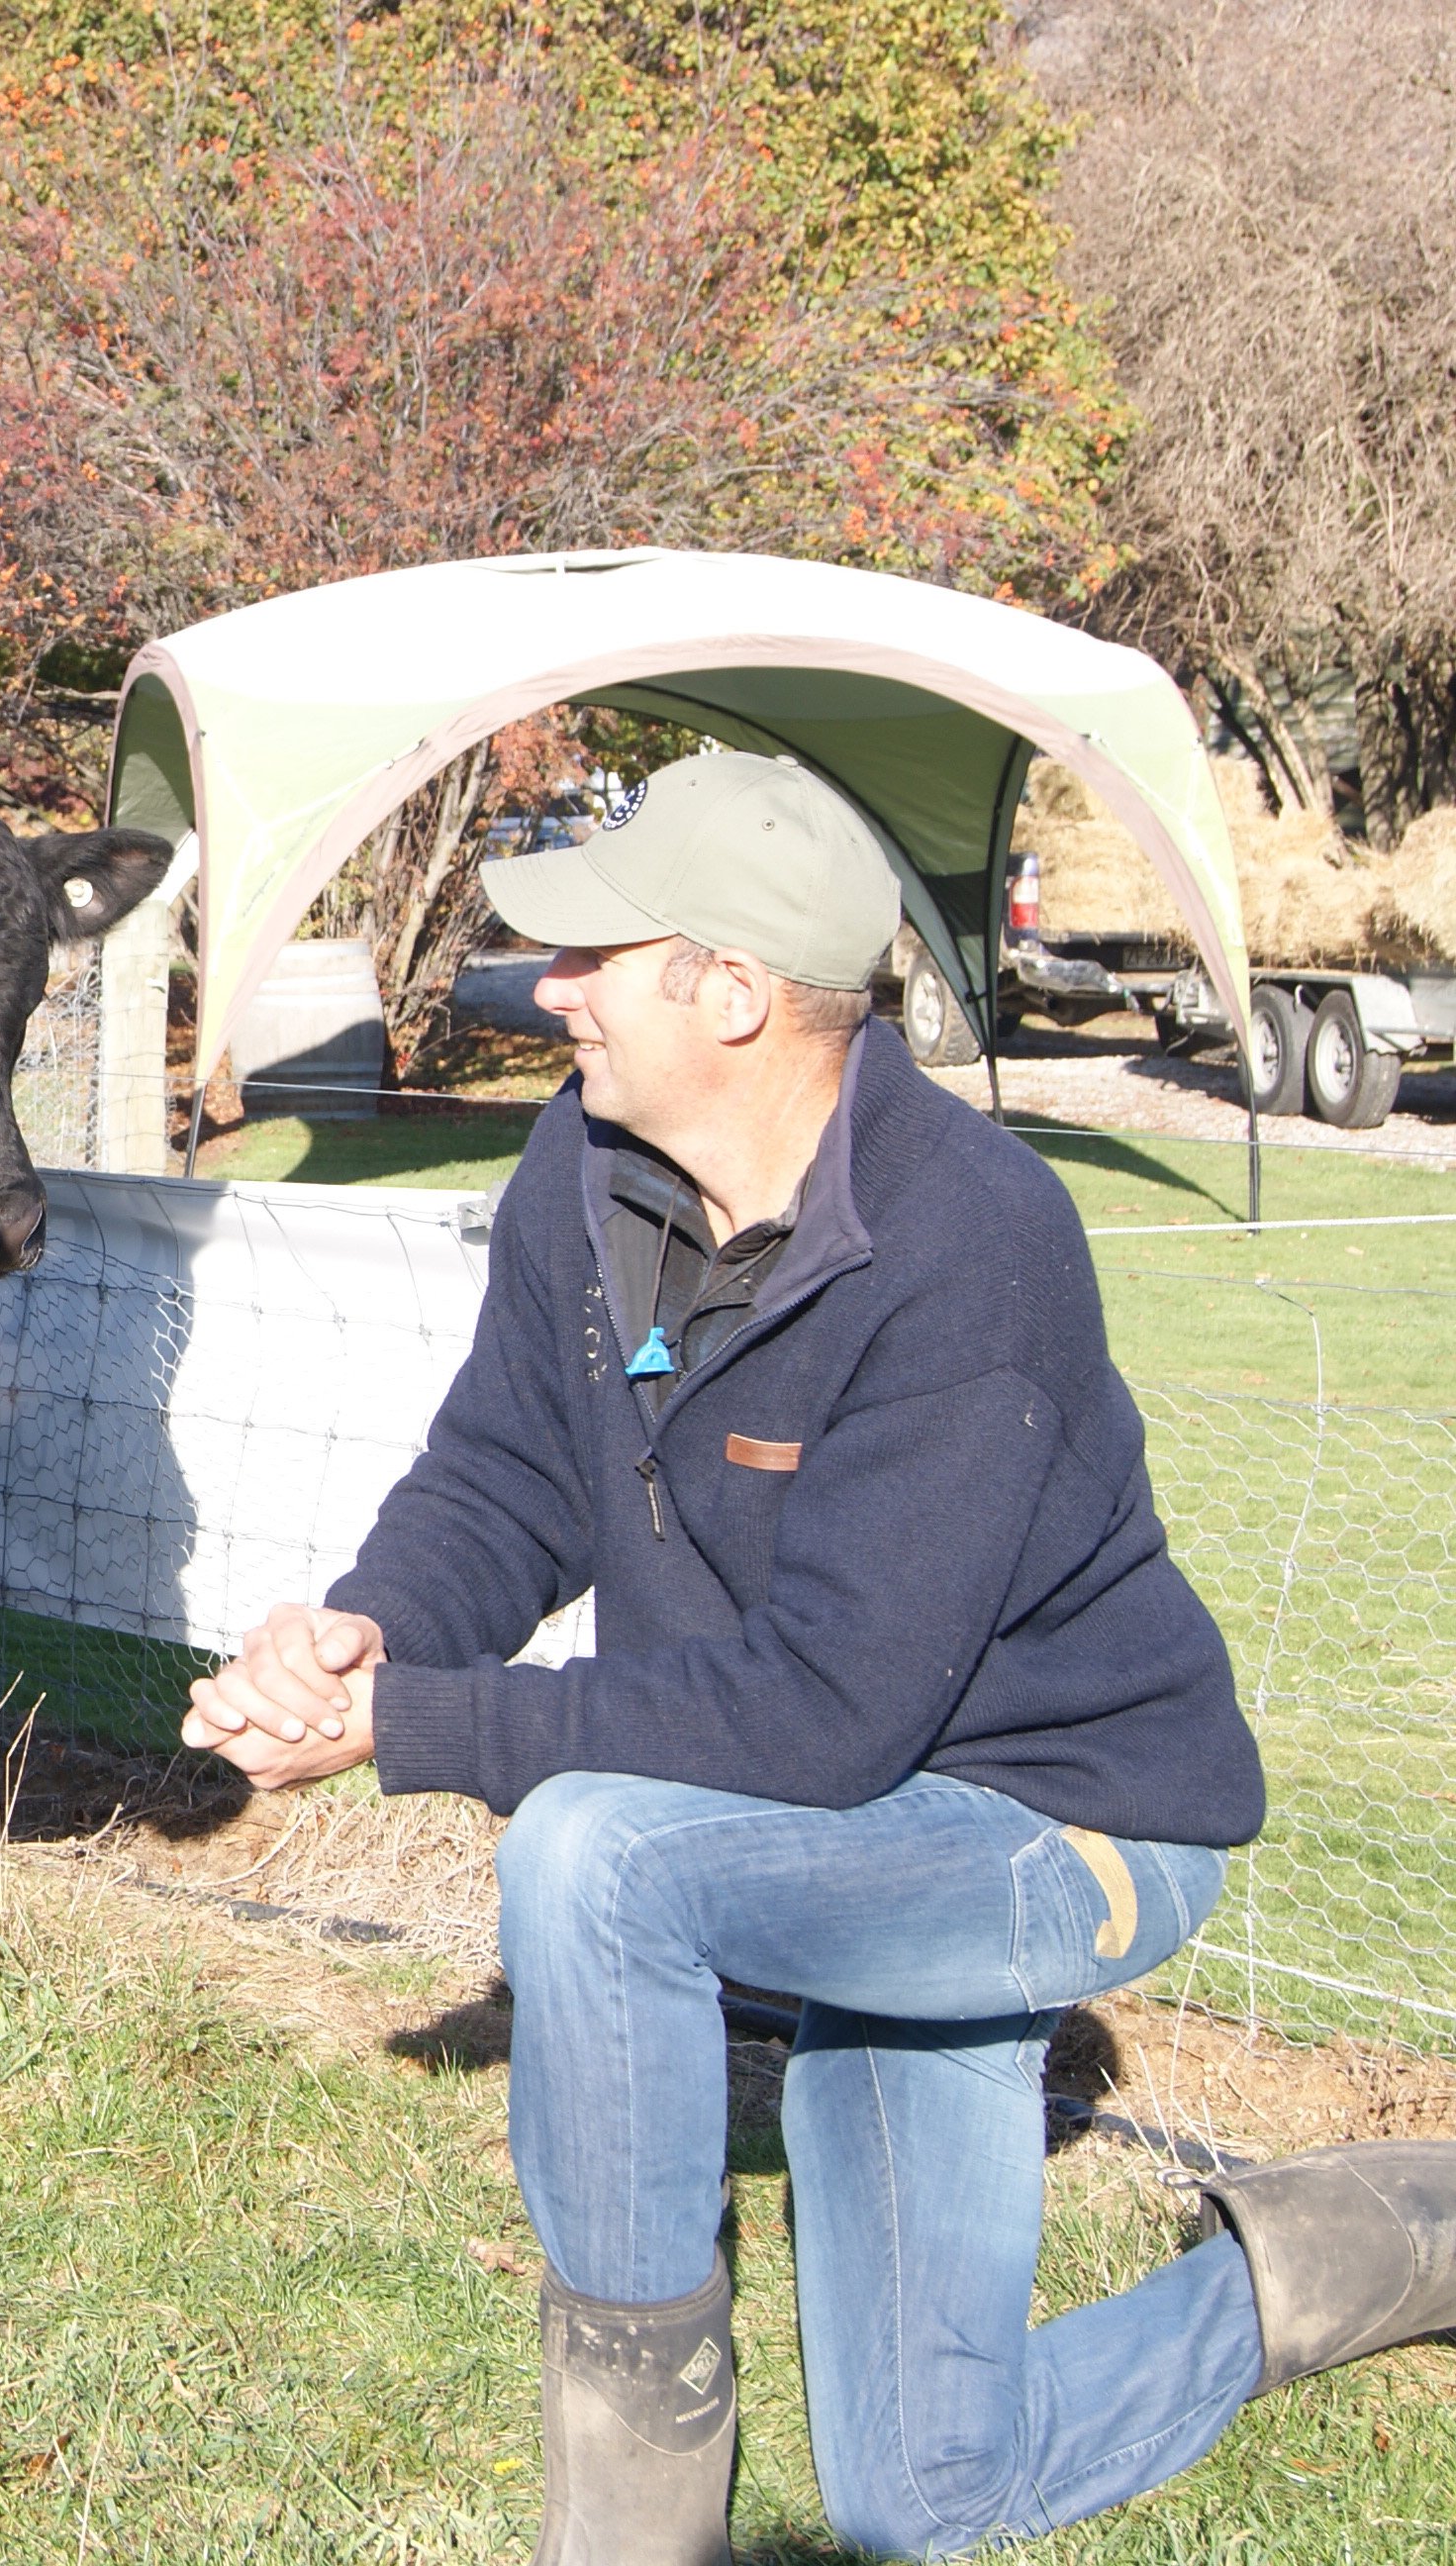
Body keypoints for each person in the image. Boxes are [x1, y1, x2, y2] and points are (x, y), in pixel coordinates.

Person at [183, 749, 1456, 2562]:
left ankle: (629, 2533)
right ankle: (1365, 2249)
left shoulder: (975, 1241)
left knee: (595, 1856)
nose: (547, 992)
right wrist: (373, 1626)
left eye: (591, 958)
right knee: (931, 2496)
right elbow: (513, 1466)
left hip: (1054, 1831)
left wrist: (420, 1727)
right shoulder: (587, 1163)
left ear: (730, 991)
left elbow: (823, 1707)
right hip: (825, 1823)